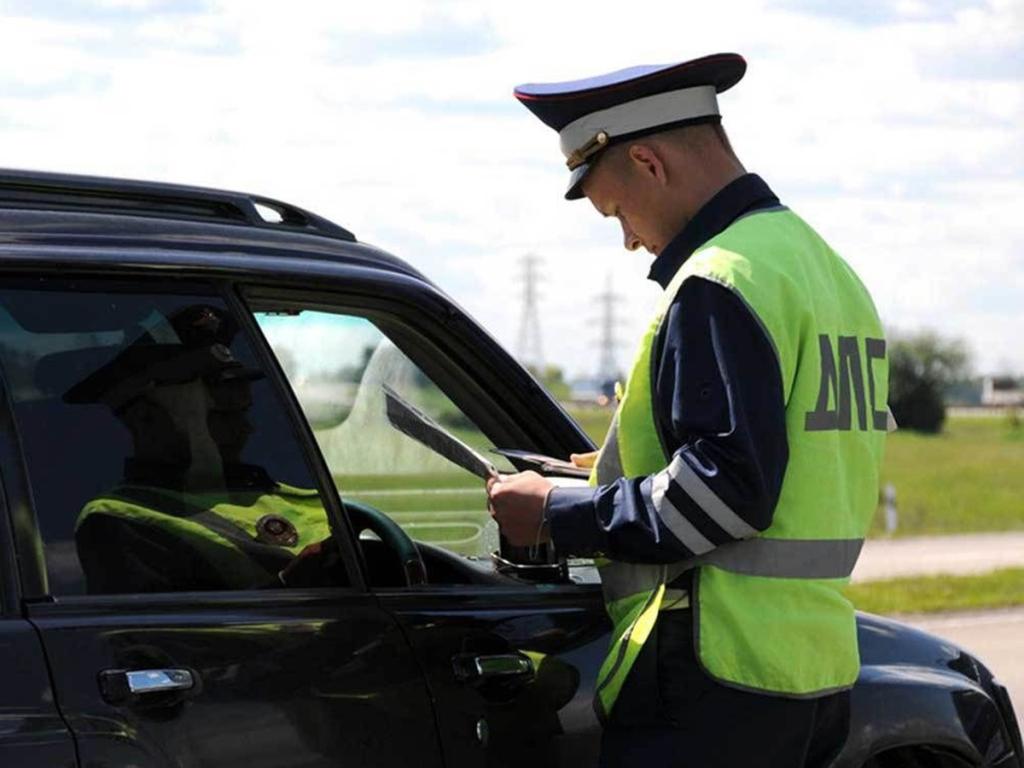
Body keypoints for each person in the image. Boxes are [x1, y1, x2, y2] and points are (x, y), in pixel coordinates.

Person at [487, 53, 891, 766]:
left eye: (616, 211)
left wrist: (556, 511)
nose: (629, 238)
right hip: (811, 669)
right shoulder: (824, 269)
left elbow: (723, 494)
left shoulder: (719, 279)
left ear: (647, 161)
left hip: (717, 674)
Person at [66, 304, 334, 593]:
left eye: (244, 412)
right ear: (147, 420)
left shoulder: (286, 491)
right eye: (220, 415)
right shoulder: (121, 518)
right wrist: (288, 586)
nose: (247, 429)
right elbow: (171, 635)